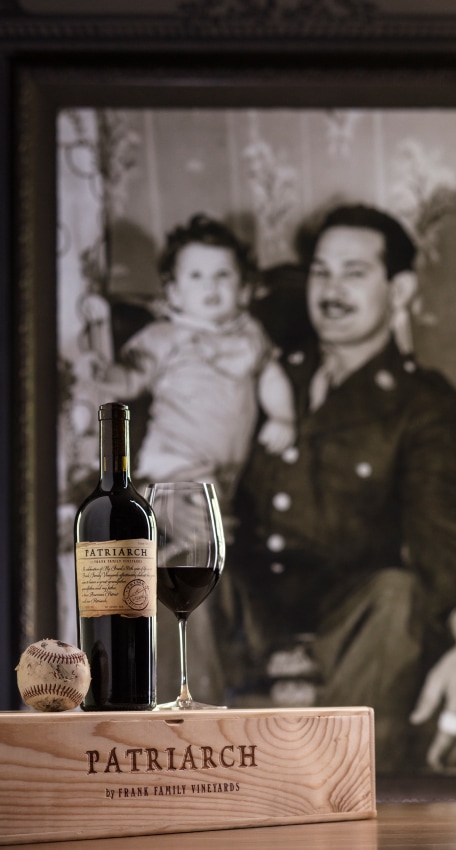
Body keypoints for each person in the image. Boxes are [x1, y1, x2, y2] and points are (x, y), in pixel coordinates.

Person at [233, 203, 456, 772]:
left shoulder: (421, 403)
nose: (331, 290)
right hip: (251, 618)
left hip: (350, 631)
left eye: (354, 273)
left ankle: (339, 789)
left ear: (399, 289)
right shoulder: (262, 371)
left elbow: (438, 546)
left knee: (399, 594)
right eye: (321, 271)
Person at [92, 213, 296, 518]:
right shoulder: (164, 336)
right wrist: (111, 376)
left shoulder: (251, 333)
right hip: (174, 460)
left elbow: (270, 375)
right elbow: (134, 377)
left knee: (215, 522)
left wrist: (283, 417)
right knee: (205, 524)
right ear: (174, 292)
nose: (209, 286)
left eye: (223, 275)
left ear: (244, 290)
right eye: (196, 276)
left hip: (228, 466)